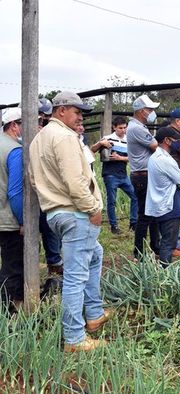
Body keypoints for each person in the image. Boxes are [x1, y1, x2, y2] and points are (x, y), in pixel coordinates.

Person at [29, 91, 109, 352]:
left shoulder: (38, 139)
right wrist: (93, 209)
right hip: (76, 214)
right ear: (61, 110)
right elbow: (75, 182)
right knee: (75, 276)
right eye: (77, 112)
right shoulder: (64, 137)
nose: (80, 117)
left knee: (95, 254)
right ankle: (74, 338)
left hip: (55, 213)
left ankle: (95, 312)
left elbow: (33, 179)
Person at [146, 127, 180, 267]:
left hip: (160, 204)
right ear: (167, 141)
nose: (178, 142)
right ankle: (165, 272)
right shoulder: (165, 160)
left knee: (166, 240)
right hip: (168, 205)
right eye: (175, 140)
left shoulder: (155, 157)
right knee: (168, 242)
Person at [91, 116, 138, 234]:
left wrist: (120, 158)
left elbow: (132, 158)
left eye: (124, 128)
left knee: (135, 196)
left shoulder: (129, 140)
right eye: (120, 128)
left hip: (123, 174)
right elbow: (92, 150)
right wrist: (100, 143)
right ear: (114, 127)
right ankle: (114, 225)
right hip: (110, 174)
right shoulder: (108, 138)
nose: (123, 130)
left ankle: (133, 223)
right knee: (111, 200)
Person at [127, 94, 160, 258]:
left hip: (145, 175)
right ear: (141, 111)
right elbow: (155, 146)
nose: (152, 112)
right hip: (143, 176)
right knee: (145, 215)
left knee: (152, 214)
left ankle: (155, 247)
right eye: (150, 109)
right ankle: (139, 252)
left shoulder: (139, 127)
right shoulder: (137, 128)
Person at [0, 108, 25, 311]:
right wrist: (23, 220)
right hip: (7, 218)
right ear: (14, 125)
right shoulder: (14, 150)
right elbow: (15, 192)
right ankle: (8, 310)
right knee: (12, 266)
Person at [37, 99, 63, 275]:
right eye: (41, 119)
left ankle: (54, 268)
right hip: (31, 194)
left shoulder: (51, 136)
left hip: (47, 194)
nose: (43, 122)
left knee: (51, 231)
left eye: (45, 118)